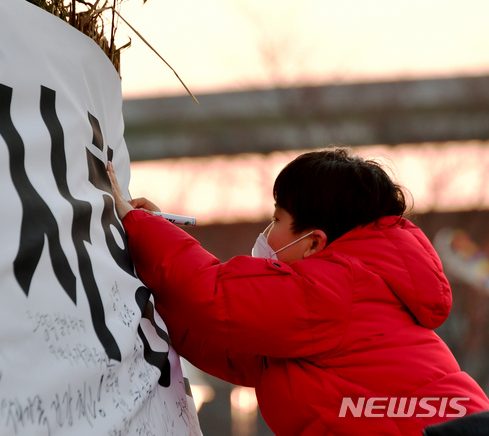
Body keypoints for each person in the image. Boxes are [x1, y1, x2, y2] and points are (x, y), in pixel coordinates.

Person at [106, 147, 489, 435]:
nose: (266, 233)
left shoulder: (336, 286)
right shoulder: (325, 308)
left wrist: (142, 227)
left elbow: (216, 295)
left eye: (276, 219)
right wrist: (157, 290)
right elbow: (228, 343)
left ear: (312, 243)